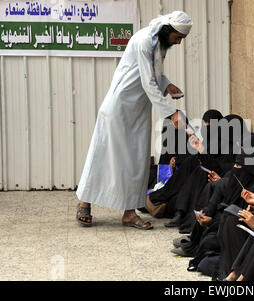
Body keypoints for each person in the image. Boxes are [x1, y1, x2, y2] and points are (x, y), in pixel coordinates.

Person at [75, 11, 193, 229]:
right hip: (118, 108)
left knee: (136, 161)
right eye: (178, 37)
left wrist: (166, 84)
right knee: (102, 155)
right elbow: (148, 82)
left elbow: (153, 73)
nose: (178, 42)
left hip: (138, 111)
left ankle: (129, 213)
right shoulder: (143, 40)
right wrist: (171, 113)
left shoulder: (159, 43)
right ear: (169, 30)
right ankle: (84, 202)